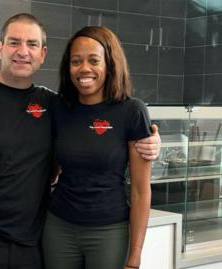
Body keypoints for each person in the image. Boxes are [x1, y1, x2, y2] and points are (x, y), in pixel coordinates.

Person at [0, 13, 160, 269]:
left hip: (31, 243)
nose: (23, 51)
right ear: (0, 47)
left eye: (32, 44)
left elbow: (92, 135)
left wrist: (152, 140)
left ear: (43, 54)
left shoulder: (52, 104)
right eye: (14, 42)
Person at [42, 26, 152, 269]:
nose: (84, 69)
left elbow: (141, 192)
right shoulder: (59, 108)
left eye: (94, 60)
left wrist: (135, 257)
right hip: (58, 226)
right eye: (76, 61)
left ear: (110, 64)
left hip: (109, 231)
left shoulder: (132, 111)